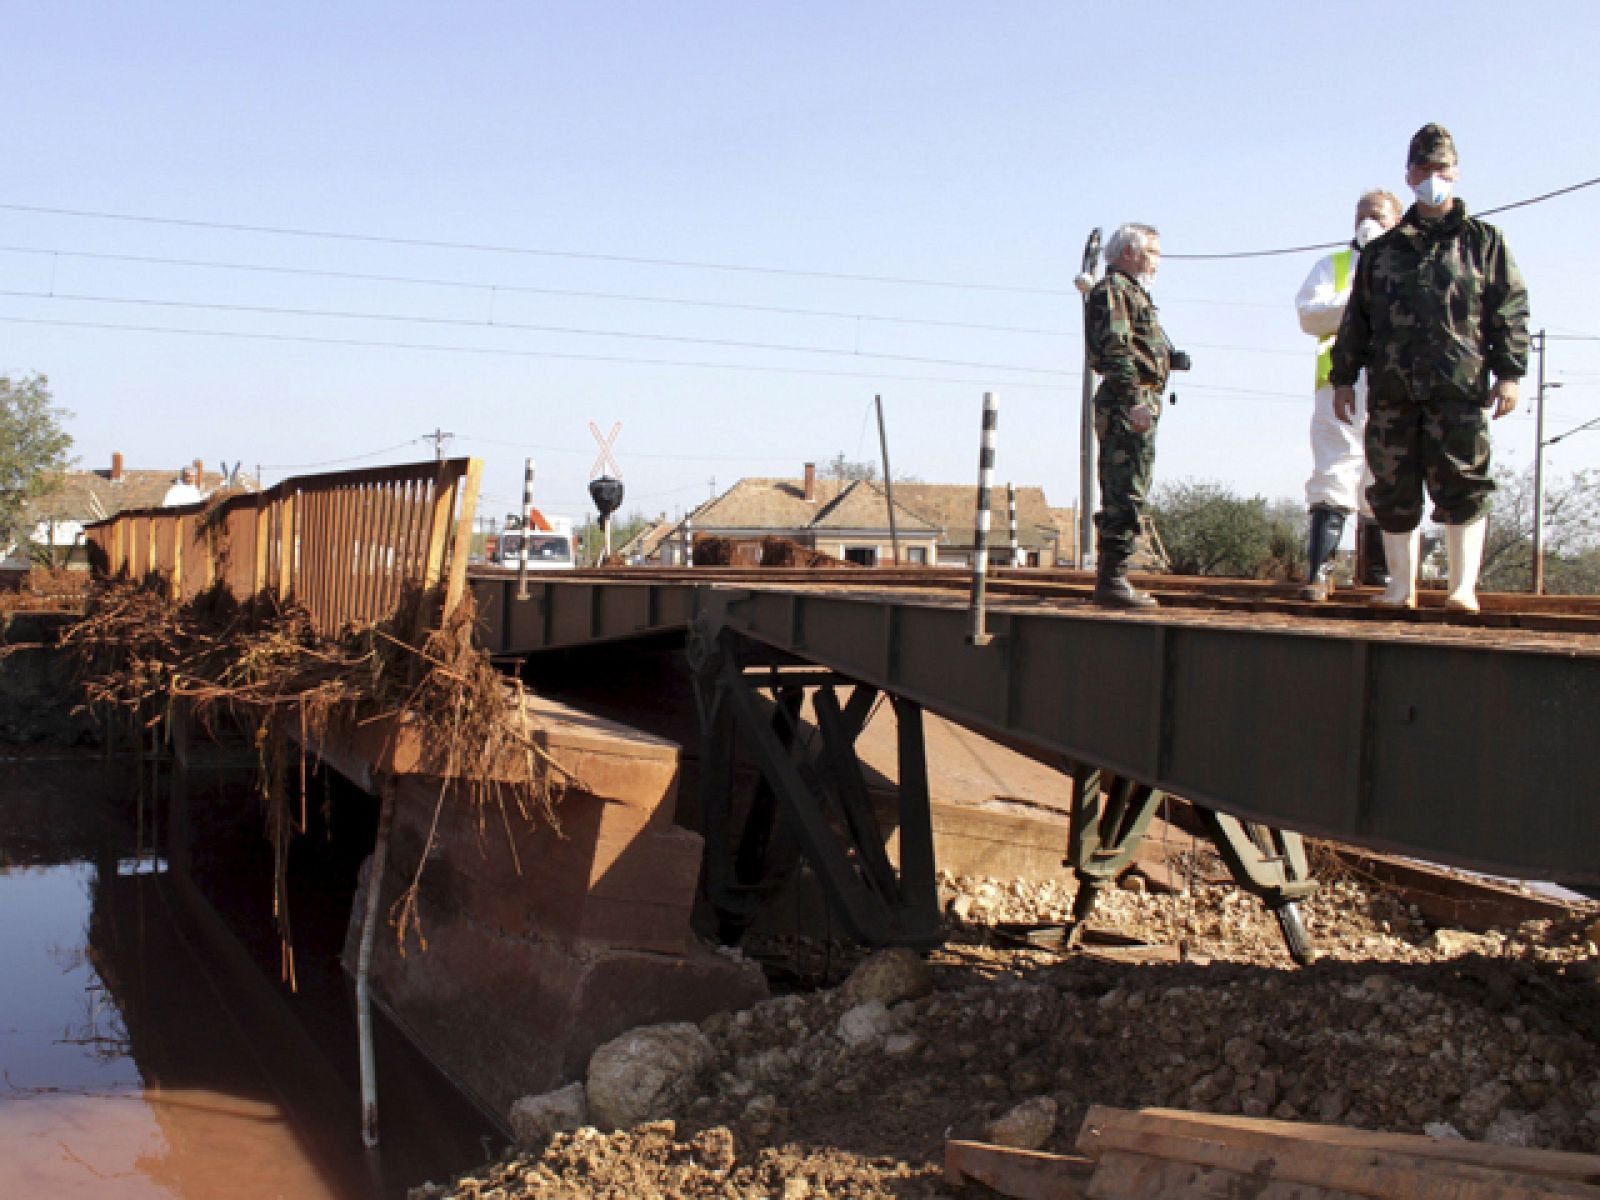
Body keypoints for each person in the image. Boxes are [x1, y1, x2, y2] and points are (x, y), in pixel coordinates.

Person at [1329, 124, 1529, 612]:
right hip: (1393, 389)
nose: (1431, 176)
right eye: (1422, 168)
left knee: (1464, 483)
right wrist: (1343, 378)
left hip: (1458, 387)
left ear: (1455, 172)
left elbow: (1509, 310)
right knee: (1392, 486)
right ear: (1409, 175)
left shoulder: (1484, 242)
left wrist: (1509, 373)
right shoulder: (1383, 251)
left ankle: (1462, 589)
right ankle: (1400, 588)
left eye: (1440, 167)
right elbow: (1357, 319)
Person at [1294, 189, 1403, 601]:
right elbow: (1309, 315)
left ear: (1397, 220)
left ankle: (1378, 574)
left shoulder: (1409, 268)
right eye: (1361, 215)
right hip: (1339, 382)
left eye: (1377, 215)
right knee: (1335, 468)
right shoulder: (1333, 266)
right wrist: (1362, 301)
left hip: (1393, 382)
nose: (1367, 222)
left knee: (1385, 473)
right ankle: (1320, 571)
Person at [1084, 222, 1178, 608]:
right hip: (1127, 402)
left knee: (1132, 484)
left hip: (1136, 398)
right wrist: (1134, 398)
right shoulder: (1114, 291)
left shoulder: (1131, 292)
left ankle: (1115, 576)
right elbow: (1116, 349)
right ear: (1129, 253)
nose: (1157, 262)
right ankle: (1112, 578)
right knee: (1125, 488)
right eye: (1151, 253)